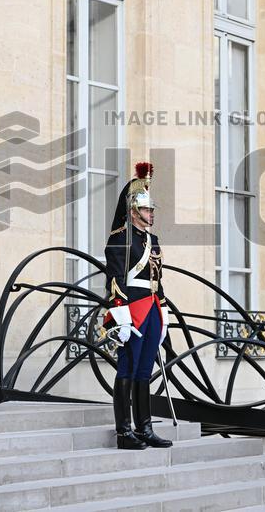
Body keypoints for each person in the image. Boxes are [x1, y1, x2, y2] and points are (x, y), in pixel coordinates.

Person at [103, 162, 172, 450]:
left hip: (152, 307)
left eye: (152, 209)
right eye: (146, 209)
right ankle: (124, 431)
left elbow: (157, 278)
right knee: (127, 369)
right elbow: (116, 279)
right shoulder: (121, 238)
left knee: (145, 370)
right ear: (133, 210)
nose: (151, 213)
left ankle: (145, 428)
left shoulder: (152, 240)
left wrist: (164, 309)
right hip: (132, 309)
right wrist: (121, 317)